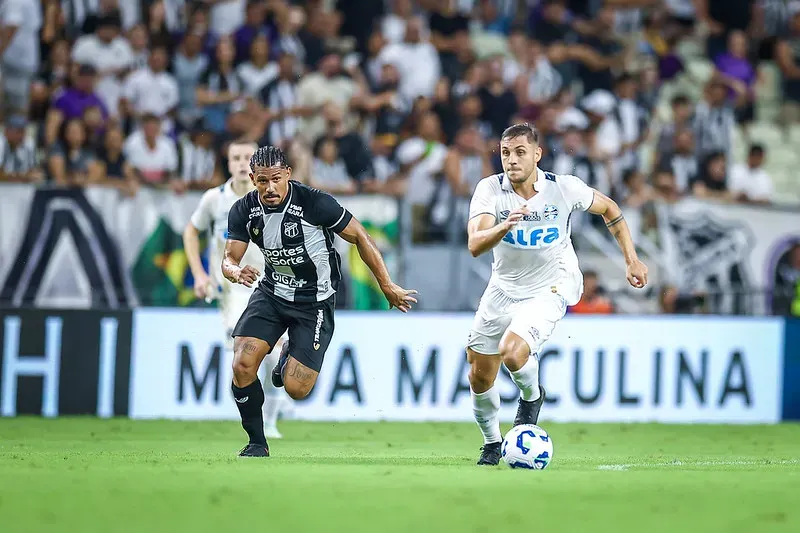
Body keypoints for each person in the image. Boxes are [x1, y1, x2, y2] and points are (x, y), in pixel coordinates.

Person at [465, 123, 648, 466]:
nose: (512, 160)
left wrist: (631, 259)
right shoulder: (490, 189)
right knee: (479, 374)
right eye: (505, 153)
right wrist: (505, 225)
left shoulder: (563, 188)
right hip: (503, 288)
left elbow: (610, 209)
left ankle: (531, 397)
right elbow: (475, 244)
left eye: (520, 152)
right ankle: (492, 443)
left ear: (537, 154)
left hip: (551, 285)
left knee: (512, 352)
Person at [222, 145, 418, 457]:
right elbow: (229, 258)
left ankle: (288, 352)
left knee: (297, 389)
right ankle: (257, 442)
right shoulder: (244, 209)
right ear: (253, 178)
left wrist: (386, 284)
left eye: (276, 178)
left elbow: (360, 236)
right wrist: (234, 271)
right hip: (272, 293)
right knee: (242, 364)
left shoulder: (314, 202)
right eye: (262, 180)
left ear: (288, 174)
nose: (269, 187)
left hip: (314, 302)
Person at [183, 141, 286, 440]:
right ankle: (257, 422)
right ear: (228, 163)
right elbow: (190, 231)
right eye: (236, 158)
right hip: (233, 291)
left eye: (247, 158)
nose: (242, 163)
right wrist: (200, 274)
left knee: (275, 356)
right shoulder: (214, 199)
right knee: (247, 357)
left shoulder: (272, 197)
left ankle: (270, 422)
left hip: (271, 286)